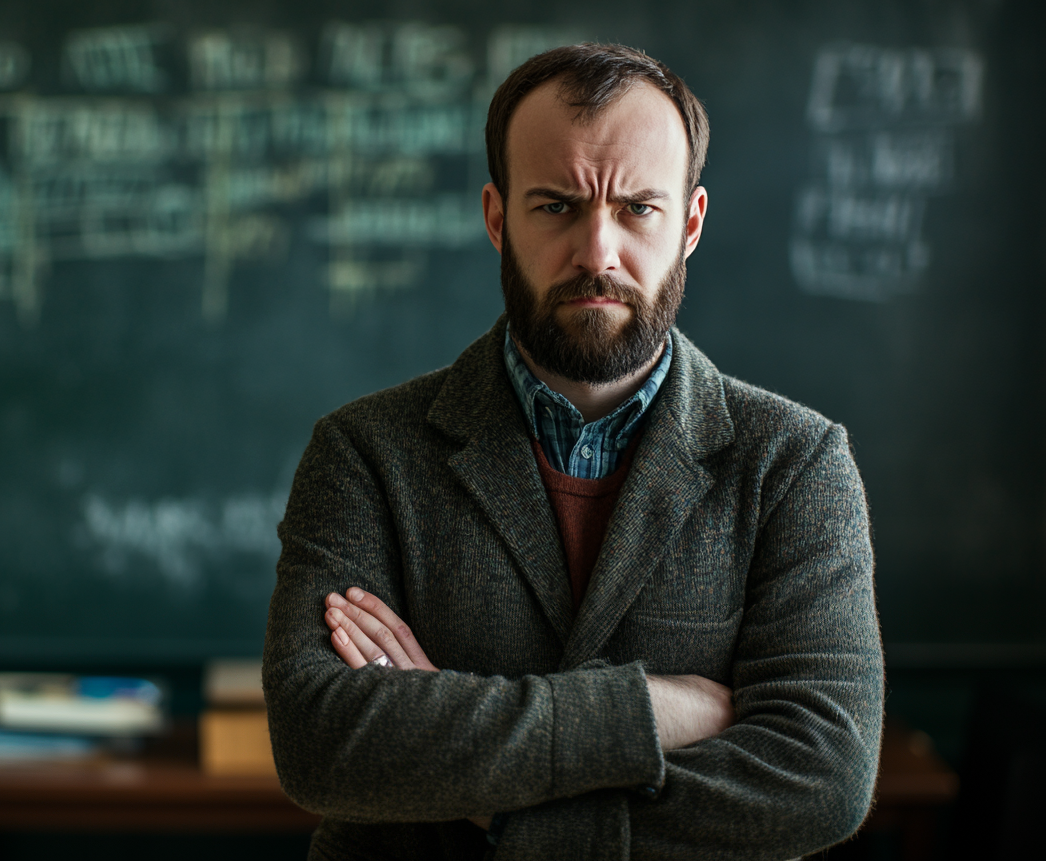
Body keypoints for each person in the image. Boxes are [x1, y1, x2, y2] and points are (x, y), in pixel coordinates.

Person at [262, 43, 883, 861]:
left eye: (637, 209)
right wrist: (655, 712)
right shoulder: (363, 454)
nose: (597, 252)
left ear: (690, 224)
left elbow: (821, 781)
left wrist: (495, 803)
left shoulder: (796, 465)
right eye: (556, 206)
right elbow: (322, 746)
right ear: (497, 217)